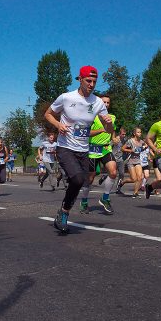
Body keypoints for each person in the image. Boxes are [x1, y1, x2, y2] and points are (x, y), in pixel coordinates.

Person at [44, 65, 113, 232]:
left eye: (94, 81)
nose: (91, 84)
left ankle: (63, 210)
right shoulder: (66, 97)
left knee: (80, 181)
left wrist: (109, 124)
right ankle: (64, 214)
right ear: (80, 79)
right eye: (88, 81)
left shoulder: (97, 102)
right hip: (65, 147)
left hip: (83, 149)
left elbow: (109, 131)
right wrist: (58, 124)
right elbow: (48, 114)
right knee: (76, 179)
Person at [79, 94, 117, 214]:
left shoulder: (112, 117)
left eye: (108, 103)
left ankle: (105, 198)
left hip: (106, 148)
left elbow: (112, 130)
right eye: (103, 102)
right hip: (92, 150)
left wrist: (114, 138)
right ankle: (84, 201)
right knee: (90, 178)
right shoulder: (91, 117)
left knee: (113, 172)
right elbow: (83, 133)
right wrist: (101, 130)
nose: (105, 104)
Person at [119, 127, 147, 197]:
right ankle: (123, 182)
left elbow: (146, 145)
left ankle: (135, 193)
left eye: (140, 132)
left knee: (140, 177)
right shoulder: (130, 141)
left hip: (137, 161)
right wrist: (131, 150)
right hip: (130, 161)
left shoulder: (141, 141)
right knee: (133, 179)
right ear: (134, 133)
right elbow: (122, 148)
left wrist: (144, 147)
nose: (140, 133)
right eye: (138, 132)